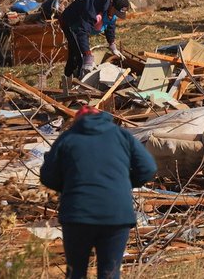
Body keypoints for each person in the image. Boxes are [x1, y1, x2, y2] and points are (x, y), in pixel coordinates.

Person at [40, 105, 157, 279]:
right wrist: (124, 185)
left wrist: (69, 188)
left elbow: (47, 175)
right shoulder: (122, 136)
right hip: (116, 214)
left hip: (78, 214)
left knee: (76, 272)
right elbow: (148, 168)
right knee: (110, 272)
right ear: (103, 118)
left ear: (77, 121)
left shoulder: (68, 138)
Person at [59, 0, 129, 80]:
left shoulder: (111, 5)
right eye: (115, 12)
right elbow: (82, 31)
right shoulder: (92, 7)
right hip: (71, 22)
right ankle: (74, 83)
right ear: (111, 4)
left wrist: (112, 44)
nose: (115, 15)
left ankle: (70, 77)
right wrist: (87, 55)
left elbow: (110, 24)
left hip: (83, 24)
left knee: (76, 53)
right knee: (79, 55)